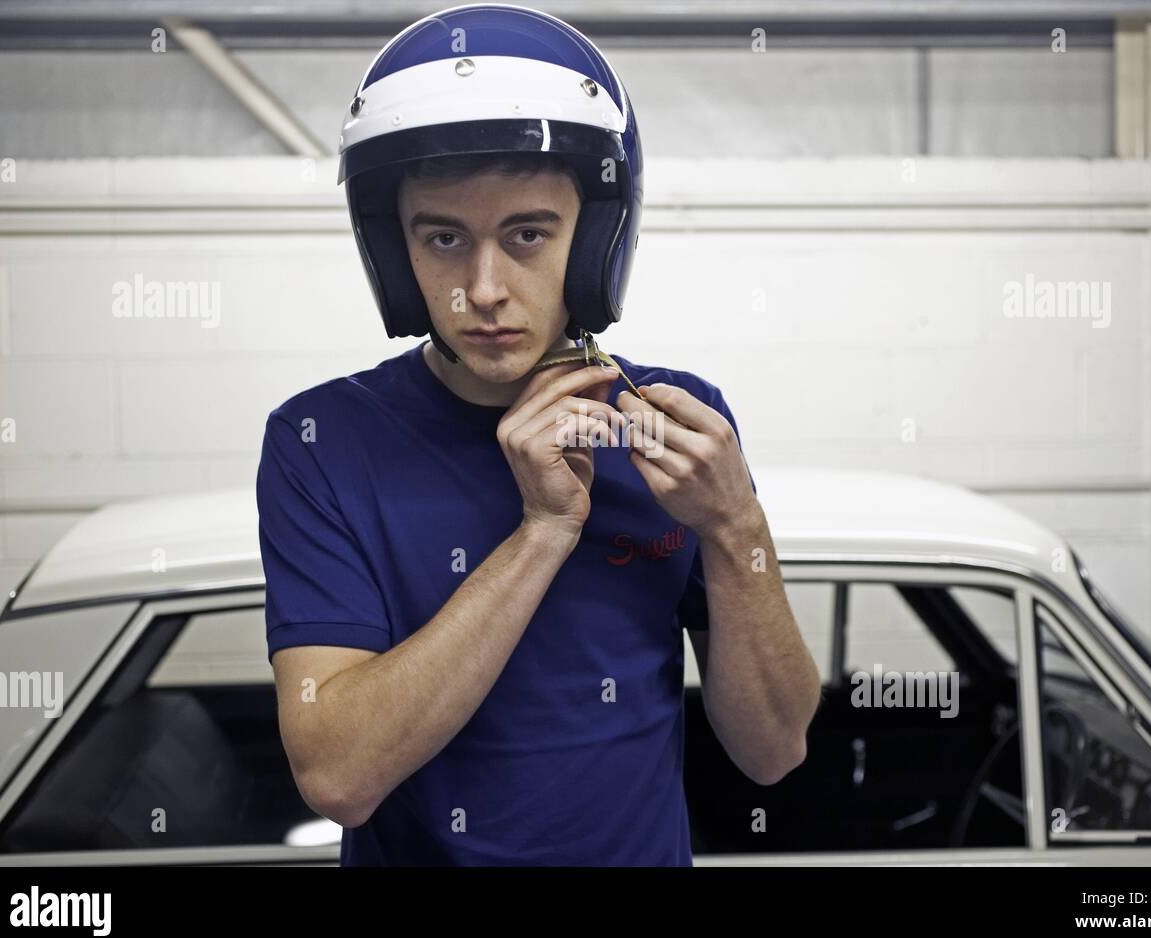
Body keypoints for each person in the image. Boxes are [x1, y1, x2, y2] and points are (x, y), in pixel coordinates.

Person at [255, 2, 820, 866]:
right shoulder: (319, 441)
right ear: (393, 252)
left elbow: (775, 749)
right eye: (443, 238)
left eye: (527, 235)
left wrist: (734, 525)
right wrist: (544, 533)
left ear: (595, 241)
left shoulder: (674, 423)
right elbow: (338, 775)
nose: (483, 288)